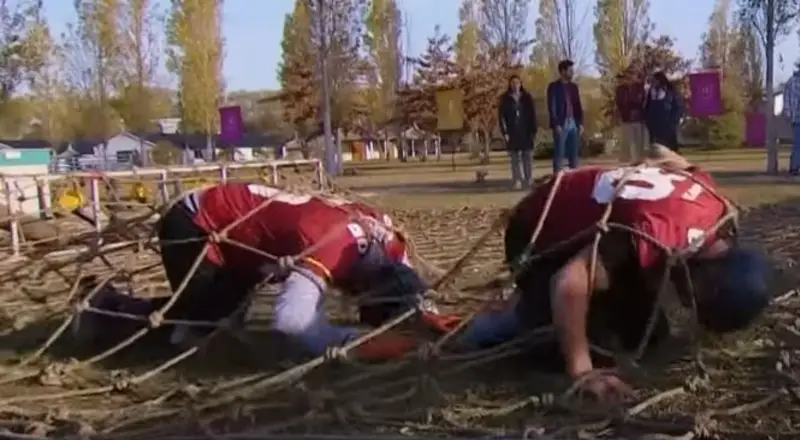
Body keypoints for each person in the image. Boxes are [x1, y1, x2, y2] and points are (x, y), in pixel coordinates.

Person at [455, 144, 770, 402]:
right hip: (536, 237)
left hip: (602, 228)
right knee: (576, 343)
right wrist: (582, 371)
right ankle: (504, 321)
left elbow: (666, 156)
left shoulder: (715, 207)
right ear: (704, 285)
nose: (687, 305)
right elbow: (569, 283)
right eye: (696, 303)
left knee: (646, 335)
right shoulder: (650, 233)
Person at [74, 183, 460, 360]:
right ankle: (102, 311)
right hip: (197, 223)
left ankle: (133, 312)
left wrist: (424, 313)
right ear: (361, 285)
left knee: (229, 321)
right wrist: (359, 346)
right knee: (200, 330)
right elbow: (290, 322)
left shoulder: (388, 238)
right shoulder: (331, 246)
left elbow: (403, 274)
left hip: (246, 238)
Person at [499, 75, 538, 189]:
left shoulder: (527, 97)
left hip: (526, 130)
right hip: (512, 131)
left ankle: (529, 179)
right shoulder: (505, 99)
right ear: (510, 85)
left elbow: (532, 114)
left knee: (527, 156)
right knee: (515, 158)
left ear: (521, 84)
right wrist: (505, 132)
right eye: (513, 83)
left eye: (517, 83)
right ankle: (517, 180)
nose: (515, 85)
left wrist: (533, 130)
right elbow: (501, 116)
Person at [547, 59, 584, 174]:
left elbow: (578, 105)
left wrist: (581, 123)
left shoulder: (573, 87)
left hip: (573, 122)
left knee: (573, 152)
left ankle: (574, 177)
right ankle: (557, 177)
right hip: (561, 123)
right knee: (559, 153)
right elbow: (551, 106)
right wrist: (556, 124)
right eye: (570, 70)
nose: (572, 73)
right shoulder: (553, 87)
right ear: (563, 71)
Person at [615, 66, 648, 162]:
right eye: (629, 74)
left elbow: (642, 102)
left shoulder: (640, 87)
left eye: (633, 74)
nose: (631, 76)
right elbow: (620, 103)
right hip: (627, 120)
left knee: (639, 145)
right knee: (627, 145)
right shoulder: (621, 89)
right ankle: (627, 164)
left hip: (639, 119)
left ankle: (639, 163)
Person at [644, 71, 684, 151]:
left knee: (670, 147)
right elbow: (647, 107)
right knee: (656, 147)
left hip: (667, 124)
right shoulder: (651, 93)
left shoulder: (671, 92)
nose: (653, 82)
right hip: (654, 125)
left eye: (655, 80)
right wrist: (648, 121)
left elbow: (679, 107)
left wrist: (674, 120)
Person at [782, 64, 800, 176]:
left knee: (797, 144)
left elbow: (786, 99)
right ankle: (794, 168)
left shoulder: (791, 81)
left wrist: (788, 113)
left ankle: (794, 168)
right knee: (797, 145)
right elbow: (787, 99)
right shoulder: (792, 82)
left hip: (795, 118)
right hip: (797, 117)